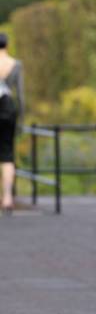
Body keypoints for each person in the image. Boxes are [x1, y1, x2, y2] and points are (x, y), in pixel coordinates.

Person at [0, 32, 24, 215]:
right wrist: (21, 119)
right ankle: (7, 197)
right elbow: (21, 96)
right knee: (7, 154)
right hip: (8, 108)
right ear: (7, 45)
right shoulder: (15, 64)